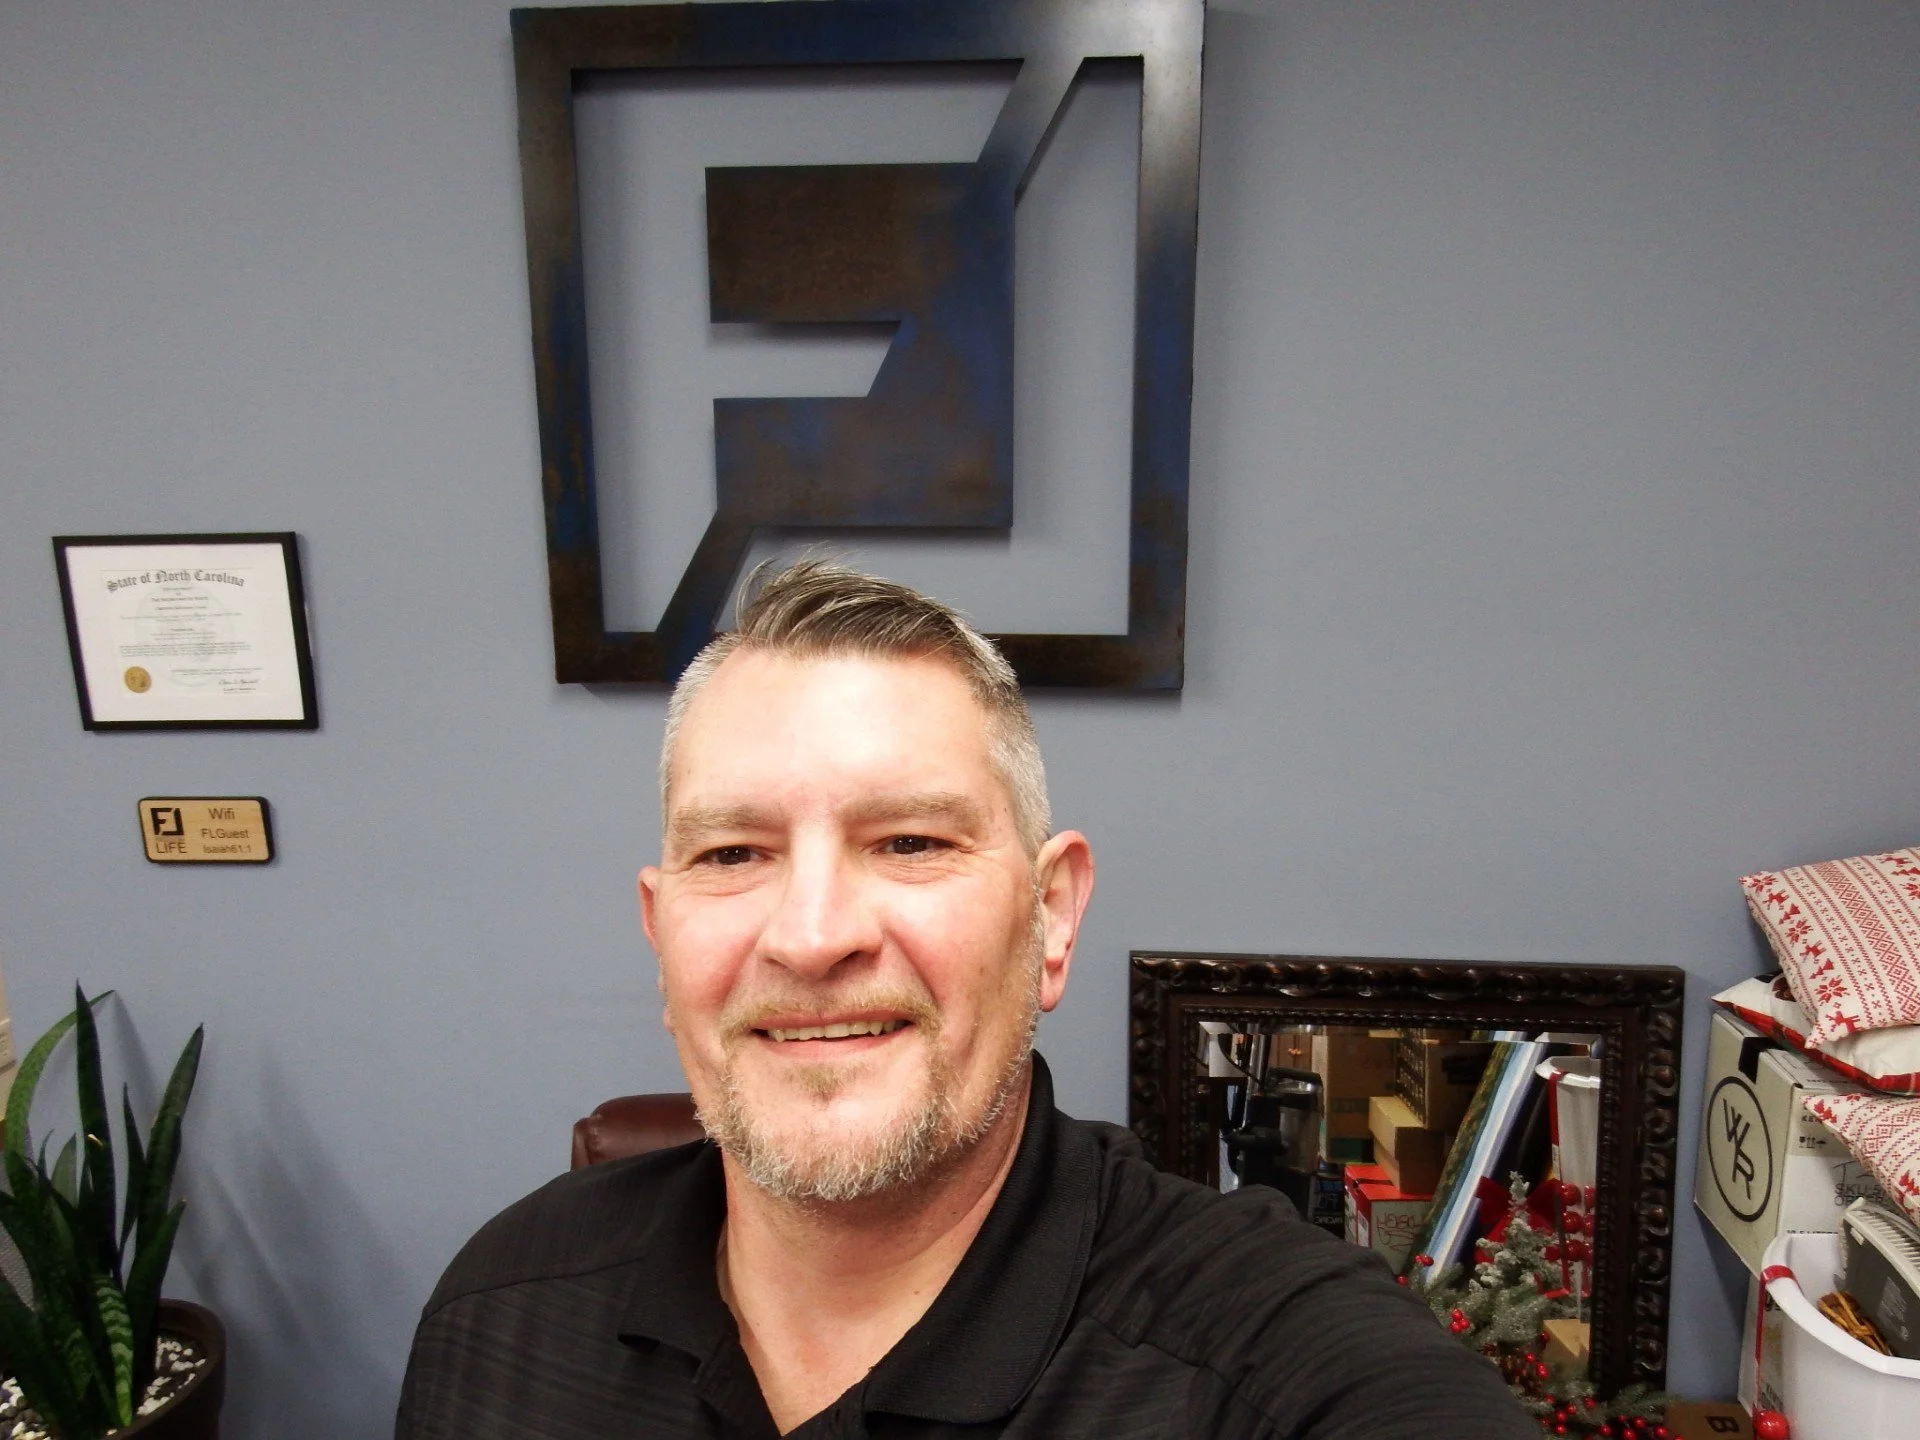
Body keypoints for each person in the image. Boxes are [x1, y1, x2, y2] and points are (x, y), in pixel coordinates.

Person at [396, 561, 1533, 1439]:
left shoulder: (1267, 1368)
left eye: (910, 841)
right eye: (733, 853)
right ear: (661, 936)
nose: (810, 935)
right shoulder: (498, 1313)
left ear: (1051, 919)